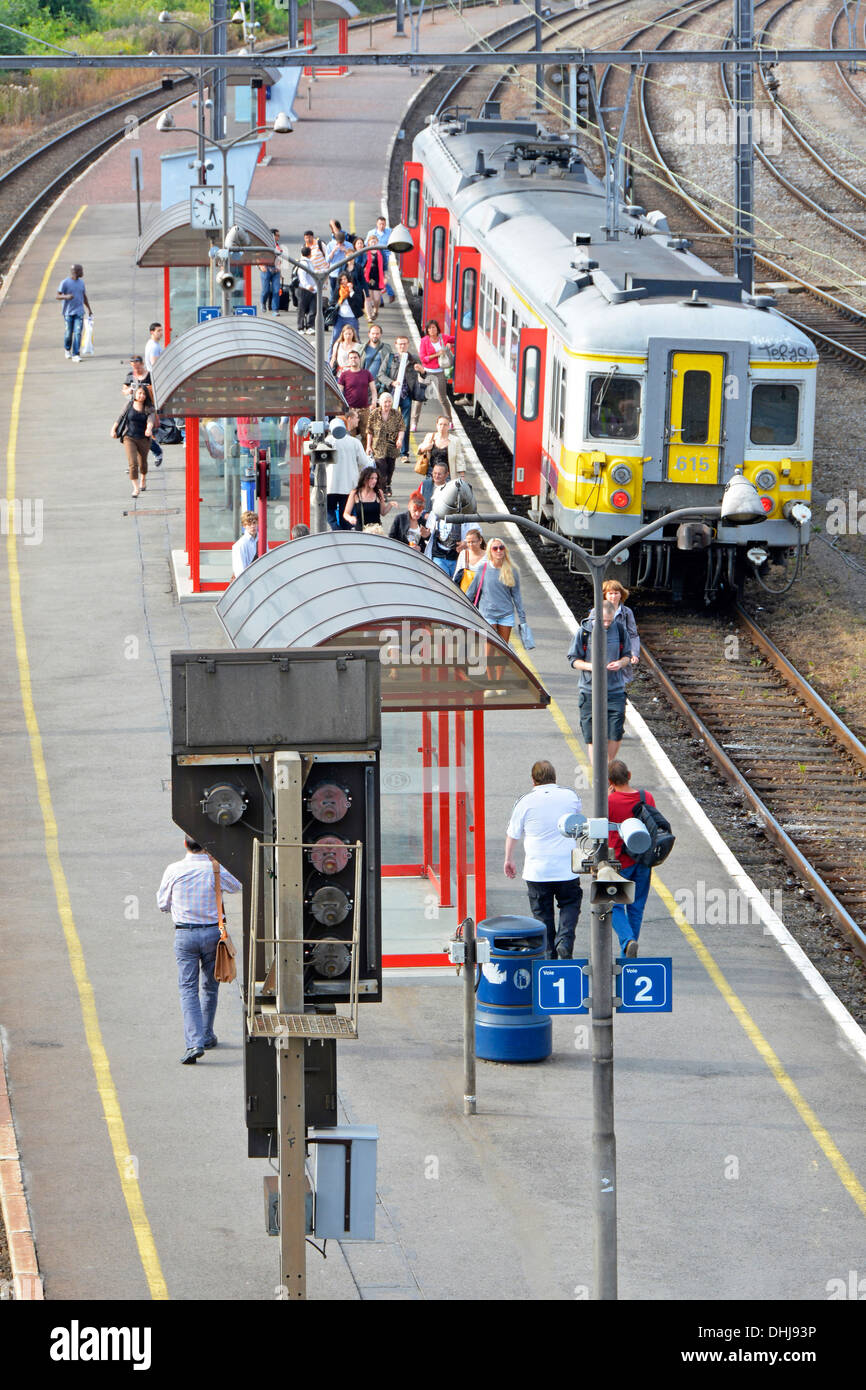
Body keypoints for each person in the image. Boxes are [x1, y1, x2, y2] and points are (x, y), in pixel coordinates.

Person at [157, 836, 242, 1063]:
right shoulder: (216, 869)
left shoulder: (173, 870)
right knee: (210, 986)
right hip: (214, 934)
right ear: (207, 846)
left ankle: (194, 1043)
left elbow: (162, 904)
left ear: (185, 845)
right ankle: (206, 1035)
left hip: (184, 934)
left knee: (188, 989)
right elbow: (238, 885)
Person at [504, 760, 583, 959]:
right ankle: (565, 940)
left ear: (533, 780)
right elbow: (577, 822)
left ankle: (548, 954)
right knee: (570, 904)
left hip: (537, 871)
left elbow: (513, 834)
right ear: (555, 777)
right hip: (567, 868)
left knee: (542, 915)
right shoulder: (570, 796)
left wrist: (509, 859)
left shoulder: (524, 801)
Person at [567, 600, 631, 764]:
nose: (607, 624)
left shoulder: (619, 629)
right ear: (595, 617)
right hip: (589, 690)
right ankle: (601, 775)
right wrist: (591, 666)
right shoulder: (584, 632)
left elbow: (627, 656)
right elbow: (573, 660)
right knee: (592, 737)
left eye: (610, 620)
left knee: (615, 733)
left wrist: (620, 663)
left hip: (615, 690)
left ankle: (606, 771)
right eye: (604, 621)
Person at [607, 761, 655, 958]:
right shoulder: (646, 797)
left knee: (612, 904)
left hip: (619, 862)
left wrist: (610, 796)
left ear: (610, 781)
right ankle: (628, 951)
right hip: (643, 860)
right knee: (636, 906)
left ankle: (627, 941)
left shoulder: (610, 801)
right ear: (630, 774)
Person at [465, 538, 526, 643]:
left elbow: (517, 596)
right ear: (490, 551)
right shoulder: (482, 569)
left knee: (502, 651)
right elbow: (471, 592)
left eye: (501, 548)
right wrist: (463, 611)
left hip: (506, 615)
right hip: (487, 615)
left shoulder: (512, 570)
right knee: (489, 650)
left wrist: (522, 618)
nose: (499, 550)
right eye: (495, 548)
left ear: (505, 550)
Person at [588, 579, 640, 681]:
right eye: (610, 593)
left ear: (621, 595)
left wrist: (634, 653)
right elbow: (589, 631)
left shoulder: (627, 612)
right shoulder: (596, 611)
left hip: (621, 651)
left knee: (621, 682)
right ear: (605, 595)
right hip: (603, 651)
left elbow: (633, 634)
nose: (613, 596)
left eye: (616, 593)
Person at [111, 385, 155, 497]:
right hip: (129, 437)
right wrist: (113, 429)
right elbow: (120, 417)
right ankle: (135, 488)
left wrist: (148, 429)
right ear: (135, 394)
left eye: (144, 394)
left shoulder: (149, 408)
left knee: (142, 463)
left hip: (143, 438)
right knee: (133, 463)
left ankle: (143, 479)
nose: (141, 396)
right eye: (139, 393)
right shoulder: (129, 405)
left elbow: (151, 420)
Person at [325, 415, 368, 529]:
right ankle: (344, 534)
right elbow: (364, 462)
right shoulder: (354, 442)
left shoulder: (326, 442)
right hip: (349, 485)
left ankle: (335, 529)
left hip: (331, 485)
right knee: (346, 514)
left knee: (329, 511)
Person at [123, 356, 163, 468]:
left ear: (142, 364)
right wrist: (129, 390)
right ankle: (132, 464)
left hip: (146, 409)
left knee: (144, 436)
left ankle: (157, 451)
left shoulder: (150, 376)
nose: (136, 369)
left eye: (137, 366)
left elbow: (157, 391)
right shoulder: (130, 376)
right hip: (133, 408)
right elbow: (124, 390)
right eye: (133, 367)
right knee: (131, 436)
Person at [381, 333, 425, 435]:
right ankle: (390, 447)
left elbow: (424, 376)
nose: (402, 346)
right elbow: (381, 375)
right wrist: (392, 382)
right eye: (400, 344)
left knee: (405, 424)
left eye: (404, 344)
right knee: (389, 421)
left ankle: (404, 450)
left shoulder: (414, 359)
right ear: (396, 345)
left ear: (408, 345)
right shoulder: (390, 357)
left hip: (406, 394)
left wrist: (422, 371)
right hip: (391, 394)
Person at [365, 393, 404, 494]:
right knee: (382, 468)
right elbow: (369, 431)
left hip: (392, 446)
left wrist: (399, 439)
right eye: (385, 402)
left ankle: (388, 485)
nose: (387, 404)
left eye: (389, 402)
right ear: (380, 402)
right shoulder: (374, 414)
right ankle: (381, 490)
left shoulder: (396, 414)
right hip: (378, 446)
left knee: (390, 468)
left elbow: (401, 428)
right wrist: (368, 446)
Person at [418, 319, 455, 418]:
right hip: (426, 372)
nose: (431, 329)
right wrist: (436, 354)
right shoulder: (424, 341)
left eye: (433, 327)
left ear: (437, 328)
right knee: (419, 397)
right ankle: (414, 422)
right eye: (429, 328)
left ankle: (449, 420)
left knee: (442, 398)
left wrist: (449, 345)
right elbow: (423, 358)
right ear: (427, 330)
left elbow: (456, 339)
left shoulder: (443, 338)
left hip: (439, 372)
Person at [338, 350, 377, 442]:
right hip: (350, 410)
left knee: (366, 435)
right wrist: (341, 406)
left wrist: (374, 402)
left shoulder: (367, 373)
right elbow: (339, 391)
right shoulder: (344, 375)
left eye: (355, 357)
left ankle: (365, 455)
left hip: (365, 410)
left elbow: (373, 390)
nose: (353, 359)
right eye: (351, 358)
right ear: (348, 360)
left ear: (359, 359)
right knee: (350, 435)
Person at [56, 262, 91, 362]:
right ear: (75, 272)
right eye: (81, 270)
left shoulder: (81, 283)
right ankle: (67, 349)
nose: (83, 272)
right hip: (68, 313)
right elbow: (57, 296)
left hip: (79, 312)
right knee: (68, 333)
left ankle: (76, 354)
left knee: (78, 333)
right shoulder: (65, 283)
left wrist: (89, 309)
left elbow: (84, 296)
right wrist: (66, 296)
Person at [344, 465, 393, 530]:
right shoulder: (355, 493)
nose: (374, 481)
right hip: (361, 531)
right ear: (365, 479)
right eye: (372, 478)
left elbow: (383, 512)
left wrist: (390, 504)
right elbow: (346, 513)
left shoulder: (379, 492)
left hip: (376, 531)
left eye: (376, 478)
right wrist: (350, 518)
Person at [329, 273, 364, 347]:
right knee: (335, 337)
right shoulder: (339, 290)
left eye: (345, 279)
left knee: (355, 338)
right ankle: (331, 357)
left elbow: (360, 303)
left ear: (349, 280)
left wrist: (351, 291)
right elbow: (332, 302)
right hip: (340, 317)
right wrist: (338, 303)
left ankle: (358, 356)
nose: (343, 281)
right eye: (341, 280)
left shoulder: (355, 289)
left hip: (352, 318)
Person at [453, 527, 487, 592]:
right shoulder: (463, 554)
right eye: (468, 542)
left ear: (480, 540)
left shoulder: (488, 556)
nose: (471, 545)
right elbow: (457, 573)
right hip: (465, 591)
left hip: (482, 592)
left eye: (473, 542)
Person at [258, 229, 283, 315]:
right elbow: (258, 255)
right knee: (266, 290)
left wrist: (280, 271)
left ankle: (275, 310)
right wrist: (261, 265)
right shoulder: (264, 244)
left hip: (276, 269)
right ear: (272, 236)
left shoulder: (277, 245)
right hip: (266, 268)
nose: (278, 237)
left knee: (276, 290)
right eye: (277, 235)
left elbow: (279, 258)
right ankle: (263, 302)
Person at [362, 234, 386, 322]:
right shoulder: (365, 252)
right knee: (368, 297)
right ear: (368, 243)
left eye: (374, 241)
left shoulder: (381, 252)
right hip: (367, 277)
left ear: (377, 242)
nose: (373, 243)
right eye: (371, 241)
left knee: (376, 298)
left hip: (378, 277)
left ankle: (376, 309)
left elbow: (385, 265)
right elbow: (362, 263)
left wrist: (385, 276)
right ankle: (369, 316)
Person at [296, 246, 318, 333]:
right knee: (303, 309)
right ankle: (301, 327)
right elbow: (302, 277)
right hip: (304, 290)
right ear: (310, 254)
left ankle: (309, 327)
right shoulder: (304, 263)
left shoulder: (308, 262)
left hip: (312, 290)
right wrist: (308, 286)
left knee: (311, 308)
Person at [231, 510, 259, 578]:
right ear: (244, 526)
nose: (252, 526)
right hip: (248, 582)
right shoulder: (239, 545)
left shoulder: (262, 540)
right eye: (249, 524)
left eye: (254, 523)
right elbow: (239, 571)